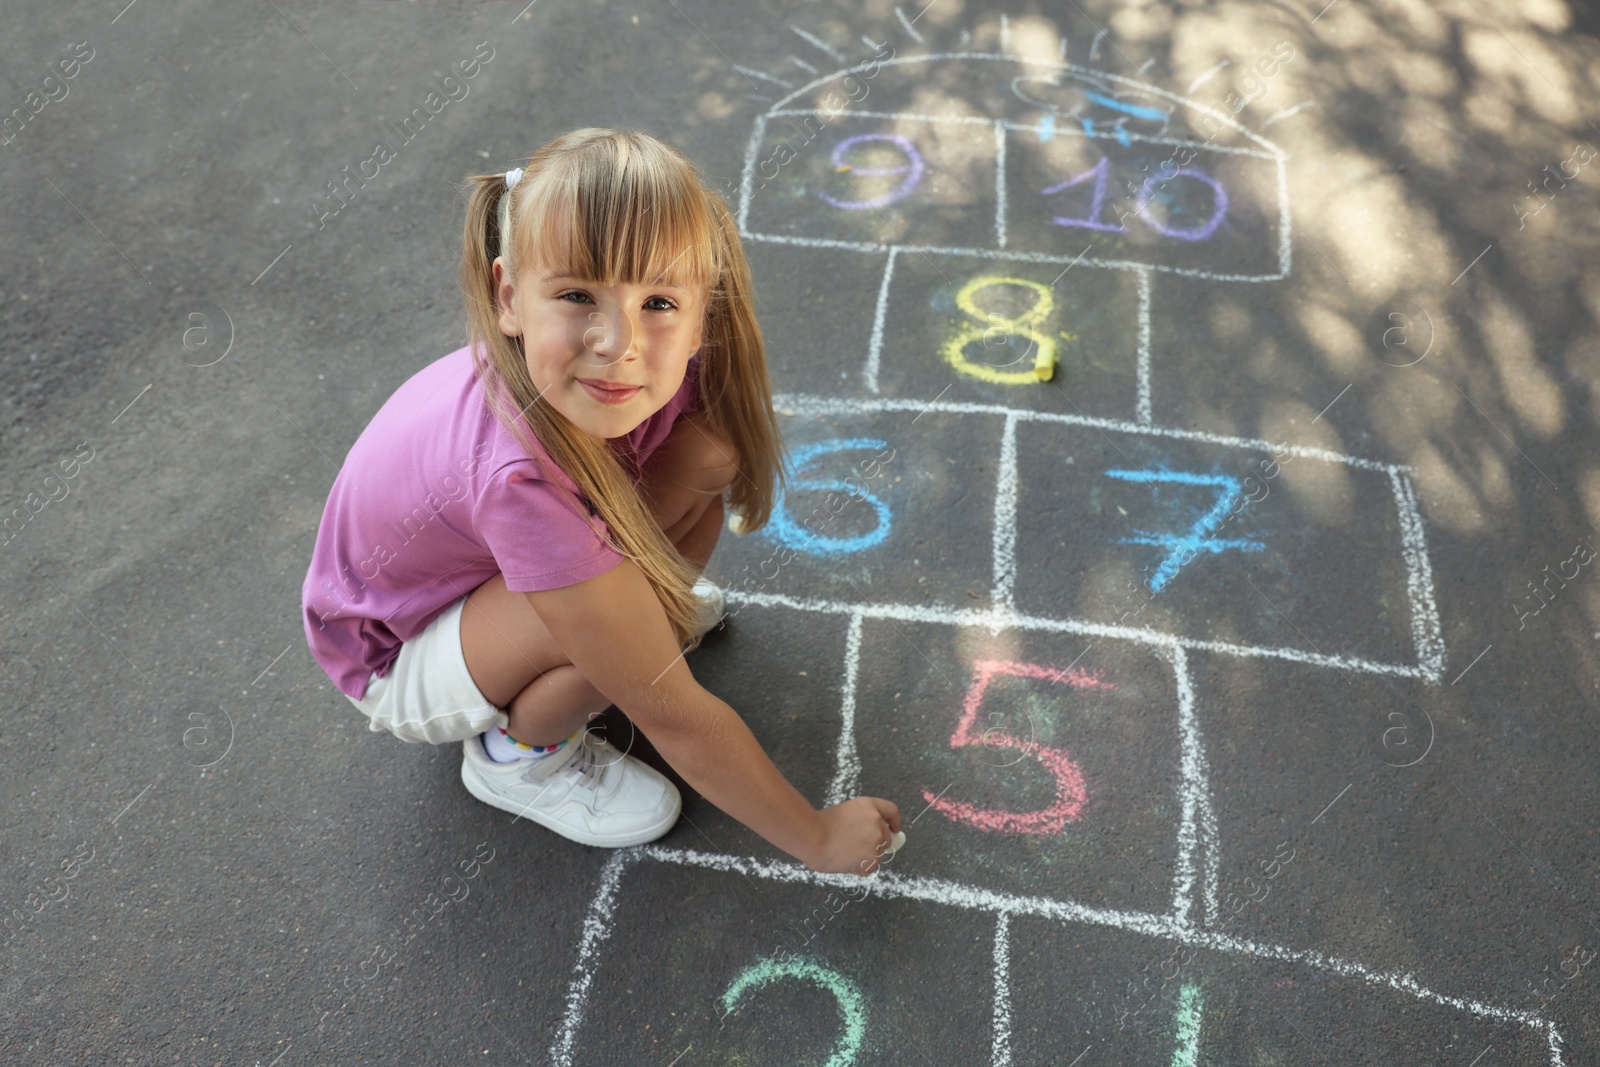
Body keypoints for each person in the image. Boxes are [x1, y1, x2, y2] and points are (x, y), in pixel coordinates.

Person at [300, 127, 900, 876]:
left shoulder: (666, 365)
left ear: (699, 313)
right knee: (629, 644)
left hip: (481, 582)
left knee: (705, 461)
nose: (619, 342)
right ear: (509, 297)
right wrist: (816, 836)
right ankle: (517, 755)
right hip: (398, 652)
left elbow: (707, 458)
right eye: (578, 294)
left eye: (656, 301)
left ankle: (614, 623)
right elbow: (675, 714)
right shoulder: (513, 473)